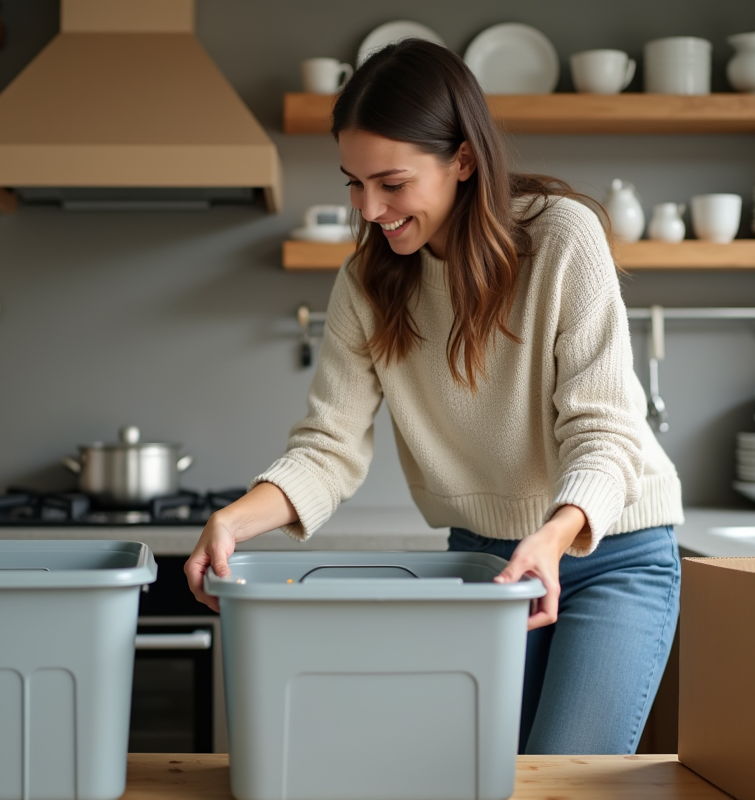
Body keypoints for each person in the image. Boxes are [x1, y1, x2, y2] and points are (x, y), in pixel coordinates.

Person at [184, 39, 684, 756]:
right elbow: (328, 449)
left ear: (464, 159)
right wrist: (232, 520)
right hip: (482, 560)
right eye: (354, 184)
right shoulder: (367, 283)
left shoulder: (560, 238)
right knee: (477, 773)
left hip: (611, 550)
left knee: (564, 775)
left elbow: (604, 430)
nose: (370, 209)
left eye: (391, 183)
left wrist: (553, 536)